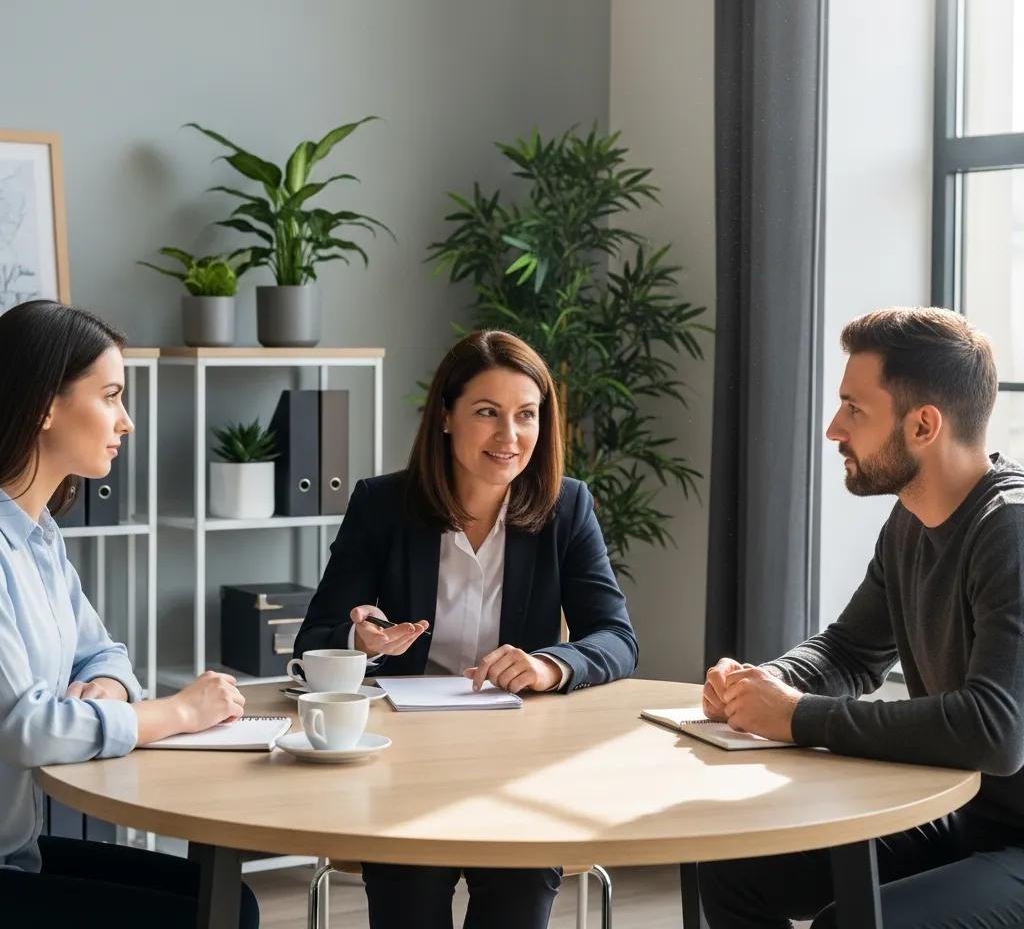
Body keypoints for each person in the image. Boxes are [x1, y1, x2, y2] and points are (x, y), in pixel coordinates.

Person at [294, 328, 639, 929]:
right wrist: (360, 641)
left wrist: (548, 665)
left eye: (526, 415)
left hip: (518, 765)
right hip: (402, 765)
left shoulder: (567, 507)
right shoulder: (383, 505)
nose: (510, 437)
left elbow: (616, 637)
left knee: (519, 891)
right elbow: (316, 637)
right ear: (447, 417)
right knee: (409, 892)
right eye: (487, 413)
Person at [698, 307, 1024, 928]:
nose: (832, 429)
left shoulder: (1011, 530)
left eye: (854, 409)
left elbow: (994, 732)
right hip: (972, 819)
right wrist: (758, 685)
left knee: (847, 922)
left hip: (1017, 846)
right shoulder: (909, 523)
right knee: (734, 862)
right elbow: (849, 653)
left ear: (923, 424)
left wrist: (796, 717)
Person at [0, 300, 258, 929]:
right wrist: (175, 712)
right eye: (111, 395)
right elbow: (26, 728)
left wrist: (107, 692)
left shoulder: (39, 537)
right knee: (218, 914)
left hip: (18, 852)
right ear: (45, 406)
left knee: (225, 902)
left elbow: (104, 654)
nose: (127, 421)